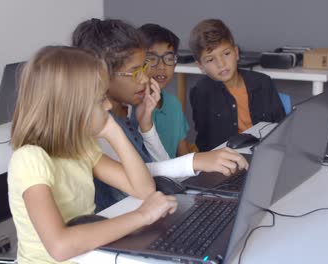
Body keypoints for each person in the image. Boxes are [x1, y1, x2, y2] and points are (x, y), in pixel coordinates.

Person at [8, 46, 177, 263]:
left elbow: (143, 189)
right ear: (71, 109)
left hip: (90, 257)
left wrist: (113, 131)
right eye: (100, 100)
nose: (108, 105)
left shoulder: (80, 148)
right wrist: (142, 216)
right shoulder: (30, 159)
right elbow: (60, 246)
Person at [72, 18, 248, 211]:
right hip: (118, 215)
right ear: (102, 74)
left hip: (147, 207)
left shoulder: (130, 108)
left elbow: (160, 170)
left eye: (144, 68)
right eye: (134, 71)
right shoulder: (94, 124)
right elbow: (132, 176)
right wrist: (194, 160)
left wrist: (146, 126)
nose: (145, 78)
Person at [189, 19, 286, 151]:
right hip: (224, 160)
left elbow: (281, 128)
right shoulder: (201, 91)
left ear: (236, 52)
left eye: (226, 54)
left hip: (264, 153)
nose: (221, 64)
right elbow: (204, 140)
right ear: (200, 66)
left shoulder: (263, 82)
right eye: (211, 59)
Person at [138, 23, 190, 158]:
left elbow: (183, 155)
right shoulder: (132, 108)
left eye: (168, 58)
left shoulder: (174, 104)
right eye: (152, 59)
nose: (162, 66)